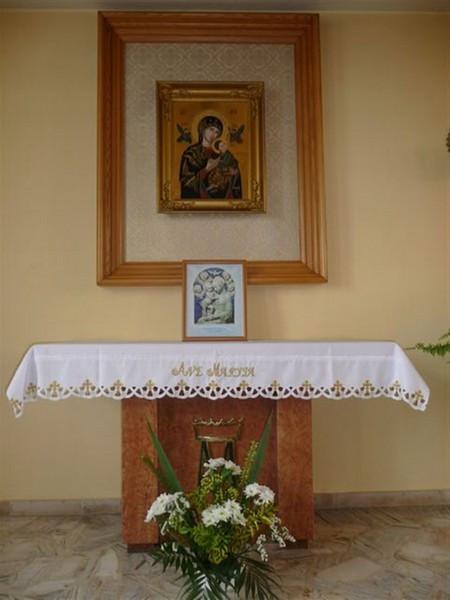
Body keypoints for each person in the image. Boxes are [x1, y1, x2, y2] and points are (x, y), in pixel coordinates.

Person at [179, 115, 242, 200]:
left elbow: (235, 176)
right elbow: (186, 182)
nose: (213, 134)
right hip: (199, 201)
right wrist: (206, 170)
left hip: (222, 201)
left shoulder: (224, 153)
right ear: (203, 129)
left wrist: (234, 173)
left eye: (217, 132)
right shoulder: (192, 154)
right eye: (211, 129)